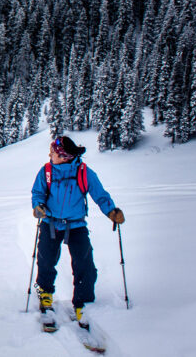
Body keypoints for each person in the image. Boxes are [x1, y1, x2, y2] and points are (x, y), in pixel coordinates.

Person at [30, 135, 124, 328]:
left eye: (53, 153)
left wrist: (111, 211)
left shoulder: (84, 172)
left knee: (84, 262)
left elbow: (100, 195)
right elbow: (37, 193)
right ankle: (45, 293)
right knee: (46, 259)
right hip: (51, 222)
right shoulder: (46, 171)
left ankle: (83, 302)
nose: (50, 155)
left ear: (64, 156)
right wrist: (38, 206)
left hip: (76, 224)